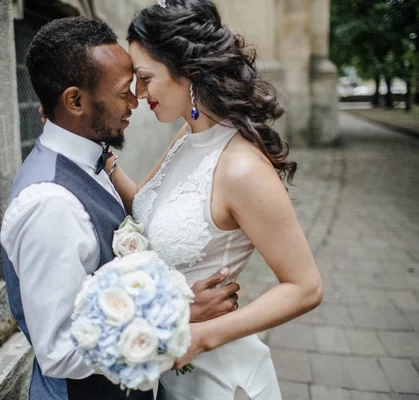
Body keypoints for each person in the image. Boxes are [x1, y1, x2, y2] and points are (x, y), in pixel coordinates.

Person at [0, 16, 240, 400]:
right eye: (122, 92)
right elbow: (60, 352)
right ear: (75, 101)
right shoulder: (51, 205)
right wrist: (178, 317)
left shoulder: (89, 159)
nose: (135, 102)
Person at [104, 1, 324, 399]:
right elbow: (148, 209)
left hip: (219, 378)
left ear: (187, 70)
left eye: (144, 77)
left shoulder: (241, 167)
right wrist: (103, 158)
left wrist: (202, 336)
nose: (139, 93)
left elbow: (305, 287)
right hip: (168, 374)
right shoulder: (185, 139)